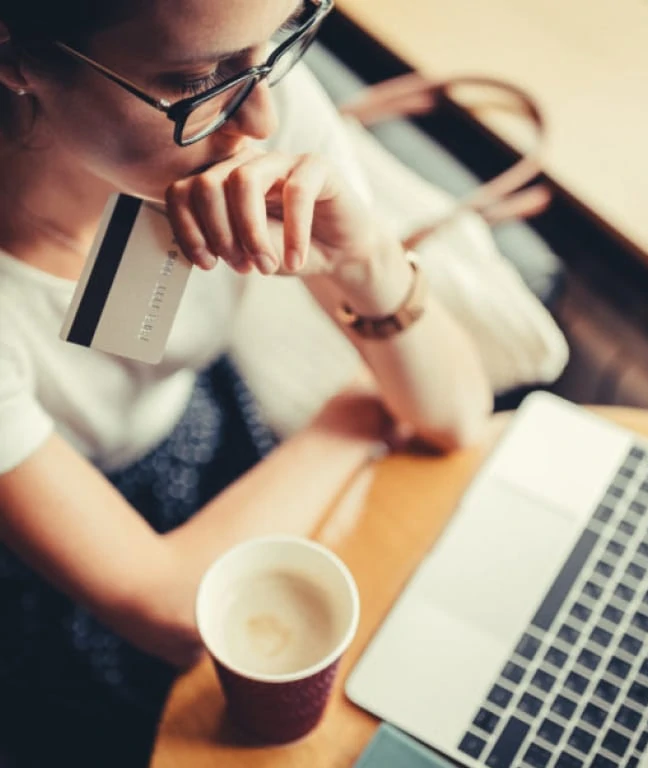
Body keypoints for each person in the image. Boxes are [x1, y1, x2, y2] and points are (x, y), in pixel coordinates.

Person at [0, 0, 493, 765]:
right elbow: (173, 613)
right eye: (197, 79)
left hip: (206, 433)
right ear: (17, 57)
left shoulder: (251, 98)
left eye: (280, 42)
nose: (262, 117)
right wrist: (352, 421)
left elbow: (456, 414)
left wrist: (366, 261)